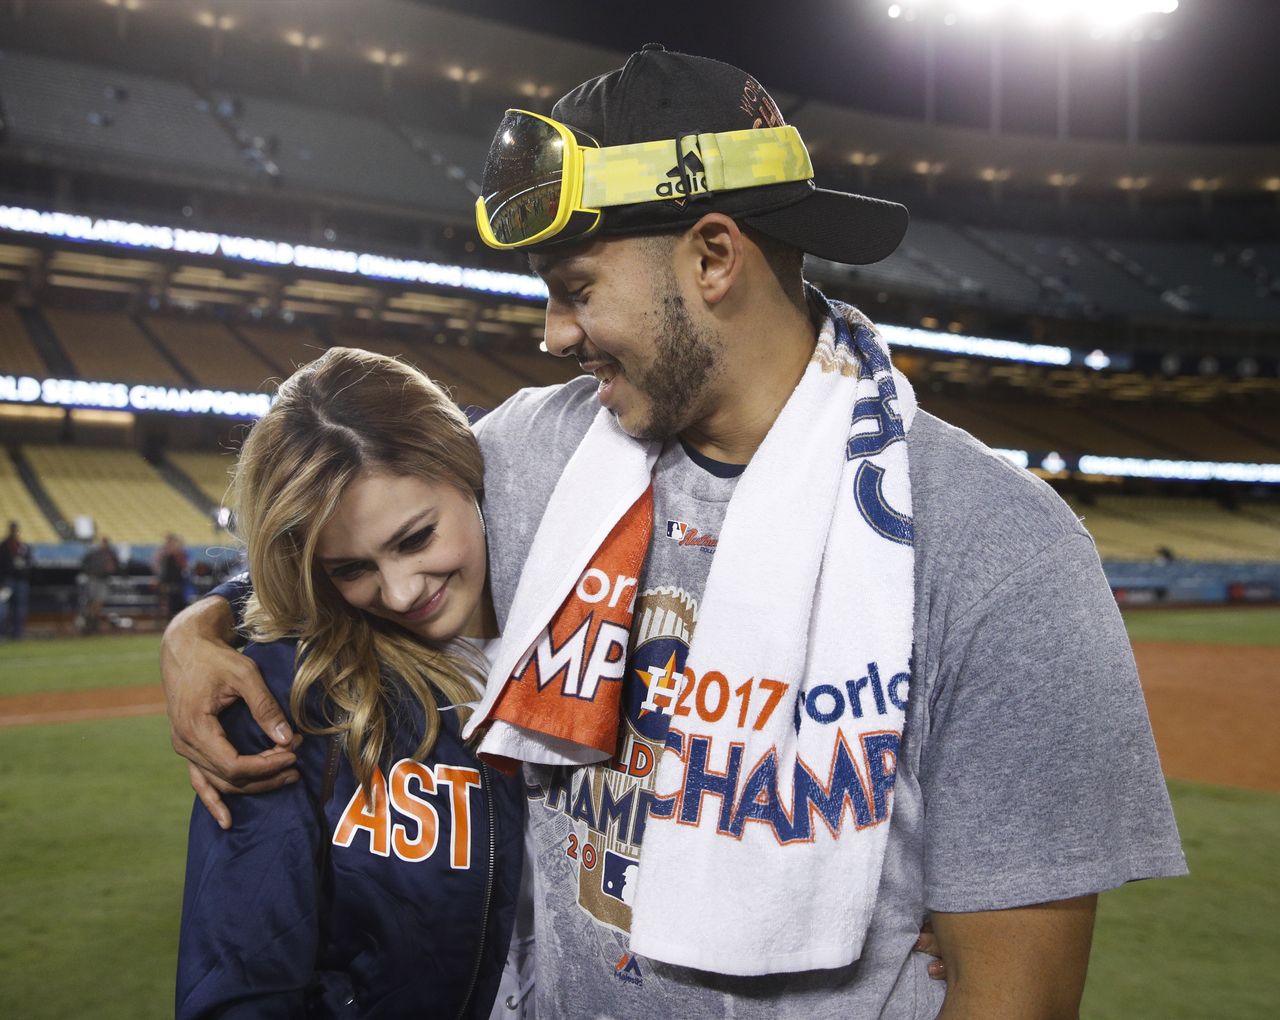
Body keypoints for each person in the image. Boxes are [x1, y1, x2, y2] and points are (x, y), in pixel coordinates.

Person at [163, 47, 1185, 1018]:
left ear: (711, 256)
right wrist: (198, 633)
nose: (553, 335)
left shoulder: (998, 550)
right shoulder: (534, 454)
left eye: (576, 289)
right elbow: (340, 522)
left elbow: (1019, 996)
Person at [175, 348, 522, 1018]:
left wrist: (198, 619)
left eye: (417, 538)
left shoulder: (591, 615)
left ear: (467, 470)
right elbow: (244, 980)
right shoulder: (285, 693)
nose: (398, 592)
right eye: (349, 568)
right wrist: (204, 623)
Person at [0, 521, 33, 640]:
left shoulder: (22, 546)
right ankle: (2, 633)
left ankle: (17, 633)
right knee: (3, 609)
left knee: (20, 609)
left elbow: (29, 563)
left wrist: (24, 568)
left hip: (21, 581)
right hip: (7, 581)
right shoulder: (4, 546)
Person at [80, 535, 118, 634]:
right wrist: (89, 572)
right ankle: (89, 624)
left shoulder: (110, 554)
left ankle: (93, 624)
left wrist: (111, 569)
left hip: (103, 580)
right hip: (94, 579)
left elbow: (115, 566)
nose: (104, 544)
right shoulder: (94, 553)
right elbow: (84, 563)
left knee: (98, 603)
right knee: (92, 603)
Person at [153, 532, 189, 620]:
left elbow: (183, 565)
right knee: (168, 604)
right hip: (168, 581)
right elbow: (158, 566)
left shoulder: (178, 553)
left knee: (177, 604)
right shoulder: (165, 553)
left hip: (176, 581)